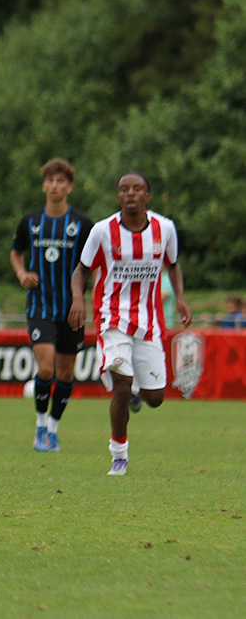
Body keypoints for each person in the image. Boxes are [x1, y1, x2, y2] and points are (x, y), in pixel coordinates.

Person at [68, 172, 191, 476]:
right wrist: (78, 299)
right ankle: (119, 455)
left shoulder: (165, 228)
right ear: (118, 196)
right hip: (112, 318)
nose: (130, 193)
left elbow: (173, 265)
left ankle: (138, 390)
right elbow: (81, 270)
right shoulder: (102, 231)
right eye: (124, 189)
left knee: (156, 398)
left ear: (147, 195)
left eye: (137, 189)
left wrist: (180, 299)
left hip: (149, 321)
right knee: (121, 388)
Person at [9, 157, 93, 453]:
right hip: (40, 308)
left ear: (69, 187)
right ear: (44, 185)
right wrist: (21, 274)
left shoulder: (82, 224)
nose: (54, 186)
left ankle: (54, 430)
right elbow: (16, 252)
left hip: (72, 311)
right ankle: (41, 427)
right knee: (46, 369)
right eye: (50, 181)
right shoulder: (31, 221)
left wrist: (87, 297)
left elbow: (92, 263)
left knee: (66, 375)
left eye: (60, 181)